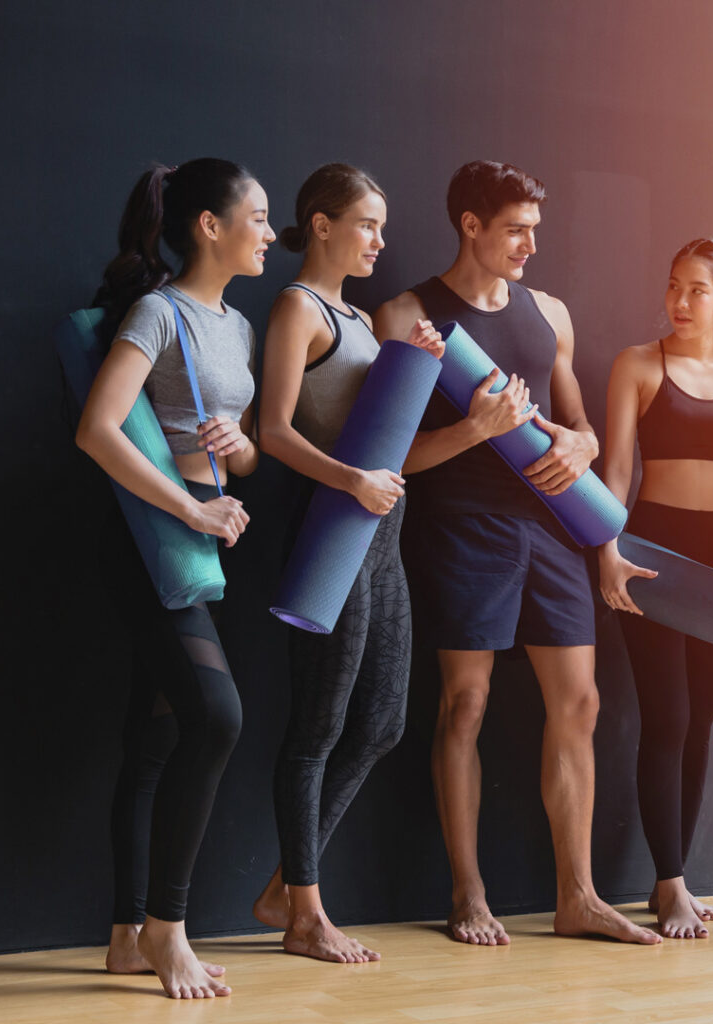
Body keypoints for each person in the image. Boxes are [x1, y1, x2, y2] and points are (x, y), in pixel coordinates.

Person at [374, 160, 660, 947]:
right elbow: (387, 457)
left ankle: (579, 897)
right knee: (464, 706)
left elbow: (585, 431)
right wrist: (476, 430)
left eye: (536, 229)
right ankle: (467, 895)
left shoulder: (549, 314)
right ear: (470, 224)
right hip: (463, 529)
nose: (531, 244)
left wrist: (579, 441)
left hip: (554, 534)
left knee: (581, 704)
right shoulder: (407, 315)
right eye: (515, 230)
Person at [77, 158, 273, 997]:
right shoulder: (158, 314)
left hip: (203, 532)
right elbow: (97, 429)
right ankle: (168, 928)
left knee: (156, 737)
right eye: (257, 217)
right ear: (209, 226)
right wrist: (192, 511)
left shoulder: (236, 325)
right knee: (217, 719)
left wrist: (242, 450)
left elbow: (249, 449)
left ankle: (127, 936)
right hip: (150, 535)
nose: (269, 233)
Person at [249, 164, 442, 963]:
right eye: (367, 224)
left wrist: (417, 365)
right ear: (321, 225)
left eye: (382, 226)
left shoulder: (361, 318)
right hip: (330, 530)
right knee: (318, 727)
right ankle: (305, 912)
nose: (379, 240)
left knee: (385, 722)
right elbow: (274, 432)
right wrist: (351, 479)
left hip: (382, 539)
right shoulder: (298, 307)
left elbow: (388, 440)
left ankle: (283, 886)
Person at [598, 238, 713, 938]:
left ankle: (671, 877)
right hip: (652, 550)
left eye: (696, 290)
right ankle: (671, 883)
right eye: (674, 287)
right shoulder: (639, 365)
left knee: (700, 721)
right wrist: (606, 549)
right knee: (667, 717)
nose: (679, 302)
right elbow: (618, 471)